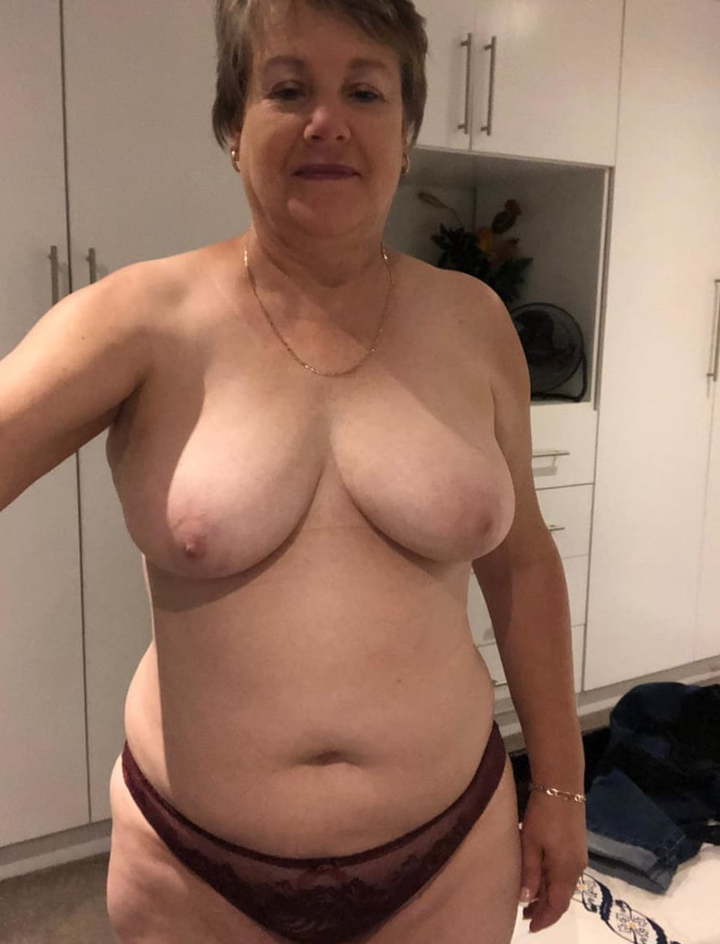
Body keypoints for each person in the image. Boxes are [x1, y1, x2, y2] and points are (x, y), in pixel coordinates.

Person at [0, 0, 588, 941]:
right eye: (287, 89)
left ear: (406, 131)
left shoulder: (475, 322)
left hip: (449, 855)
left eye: (365, 91)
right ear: (233, 126)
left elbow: (520, 561)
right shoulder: (143, 319)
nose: (328, 121)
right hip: (192, 871)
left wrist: (560, 785)